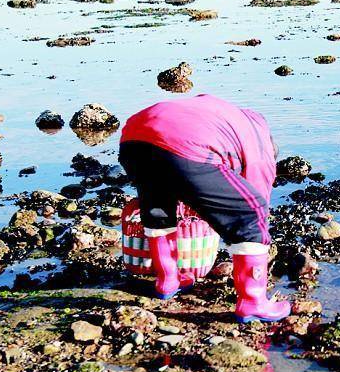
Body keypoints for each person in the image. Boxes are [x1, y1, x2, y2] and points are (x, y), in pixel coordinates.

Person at [118, 93, 291, 323]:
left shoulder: (227, 117)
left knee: (158, 205)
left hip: (134, 140)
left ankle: (168, 280)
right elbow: (256, 197)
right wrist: (254, 230)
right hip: (183, 144)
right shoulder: (259, 142)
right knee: (251, 213)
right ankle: (253, 302)